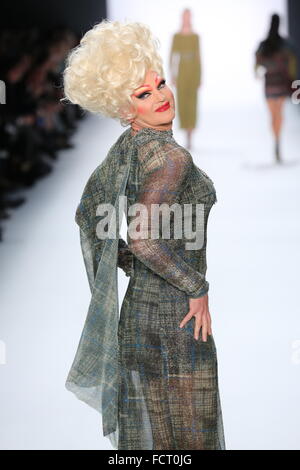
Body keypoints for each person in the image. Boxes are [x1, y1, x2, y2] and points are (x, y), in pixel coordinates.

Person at [62, 19, 226, 450]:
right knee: (193, 437)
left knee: (154, 441)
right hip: (178, 317)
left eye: (160, 85)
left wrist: (137, 267)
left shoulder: (127, 148)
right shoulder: (170, 158)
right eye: (143, 95)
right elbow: (142, 237)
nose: (162, 97)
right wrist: (196, 286)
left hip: (137, 316)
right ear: (124, 109)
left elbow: (89, 215)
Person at [255, 13, 298, 164]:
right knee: (279, 114)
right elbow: (292, 61)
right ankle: (278, 141)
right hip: (280, 83)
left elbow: (257, 62)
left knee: (273, 115)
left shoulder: (264, 44)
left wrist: (258, 72)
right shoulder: (285, 44)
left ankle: (276, 140)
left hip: (269, 84)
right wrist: (291, 77)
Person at [169, 8, 201, 150]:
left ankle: (190, 137)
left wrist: (200, 76)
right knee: (182, 104)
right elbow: (172, 56)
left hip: (193, 71)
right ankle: (186, 135)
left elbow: (199, 57)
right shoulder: (177, 36)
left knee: (192, 104)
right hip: (181, 72)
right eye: (185, 16)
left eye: (189, 16)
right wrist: (173, 75)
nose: (187, 18)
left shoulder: (195, 37)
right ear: (182, 18)